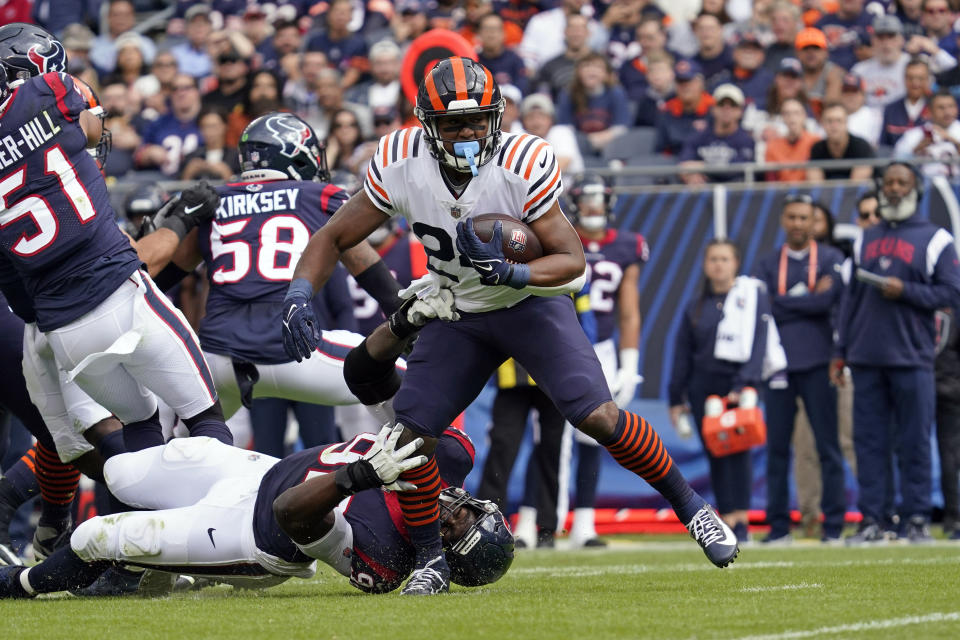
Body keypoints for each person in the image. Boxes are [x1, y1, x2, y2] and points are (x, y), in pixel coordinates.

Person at [283, 56, 739, 594]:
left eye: (477, 119)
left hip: (530, 303)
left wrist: (514, 270)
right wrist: (298, 294)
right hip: (457, 312)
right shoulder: (400, 158)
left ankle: (693, 509)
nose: (468, 131)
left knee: (597, 417)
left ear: (496, 116)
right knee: (409, 439)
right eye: (453, 122)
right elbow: (333, 235)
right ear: (427, 126)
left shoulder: (522, 159)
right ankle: (431, 559)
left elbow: (572, 260)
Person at [0, 321, 513, 597]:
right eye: (467, 511)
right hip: (257, 470)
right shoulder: (452, 459)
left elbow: (291, 513)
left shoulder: (384, 560)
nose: (453, 510)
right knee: (121, 472)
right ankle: (67, 358)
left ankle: (20, 585)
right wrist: (403, 322)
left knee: (96, 535)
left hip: (252, 535)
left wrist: (359, 476)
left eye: (456, 527)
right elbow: (370, 375)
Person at [165, 112, 412, 422]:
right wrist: (407, 321)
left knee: (186, 449)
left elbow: (165, 277)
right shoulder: (317, 196)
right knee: (416, 389)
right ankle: (422, 468)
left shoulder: (215, 201)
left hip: (220, 356)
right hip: (293, 352)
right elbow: (369, 270)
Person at [833, 161, 960, 544]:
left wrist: (904, 291)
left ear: (915, 189)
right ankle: (874, 518)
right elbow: (849, 301)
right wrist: (840, 351)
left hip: (914, 357)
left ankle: (917, 517)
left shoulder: (936, 238)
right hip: (866, 357)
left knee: (914, 442)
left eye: (902, 182)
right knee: (869, 444)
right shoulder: (863, 238)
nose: (893, 189)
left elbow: (951, 294)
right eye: (888, 182)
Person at [753, 195, 846, 544]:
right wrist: (808, 300)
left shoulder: (832, 259)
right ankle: (778, 529)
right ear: (783, 221)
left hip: (819, 363)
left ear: (814, 222)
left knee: (828, 447)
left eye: (804, 218)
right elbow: (764, 307)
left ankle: (834, 527)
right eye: (792, 217)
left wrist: (786, 302)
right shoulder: (766, 262)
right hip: (777, 367)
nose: (797, 224)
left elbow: (829, 302)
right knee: (777, 449)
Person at [669, 239, 773, 543]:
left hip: (737, 388)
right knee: (716, 453)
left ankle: (742, 518)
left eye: (725, 259)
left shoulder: (750, 299)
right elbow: (682, 354)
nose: (719, 265)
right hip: (704, 389)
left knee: (739, 453)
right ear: (705, 265)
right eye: (713, 259)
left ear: (736, 263)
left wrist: (745, 383)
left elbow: (759, 342)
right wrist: (677, 398)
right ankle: (725, 516)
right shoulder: (696, 306)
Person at [565, 173, 647, 547]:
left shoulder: (627, 245)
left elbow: (629, 310)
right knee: (547, 436)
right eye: (587, 200)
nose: (593, 208)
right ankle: (538, 522)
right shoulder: (561, 238)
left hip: (602, 349)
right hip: (560, 342)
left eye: (599, 200)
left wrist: (630, 365)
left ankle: (584, 524)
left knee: (592, 435)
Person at [555, 52, 631, 157]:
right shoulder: (568, 94)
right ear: (578, 73)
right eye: (586, 66)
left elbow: (621, 128)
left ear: (606, 74)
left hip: (610, 146)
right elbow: (565, 129)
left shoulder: (616, 93)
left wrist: (595, 140)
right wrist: (586, 142)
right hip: (578, 147)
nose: (591, 70)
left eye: (597, 67)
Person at [679, 84, 756, 184]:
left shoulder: (746, 140)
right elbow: (683, 166)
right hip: (702, 193)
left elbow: (735, 170)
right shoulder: (699, 137)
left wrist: (702, 167)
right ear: (713, 109)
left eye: (732, 105)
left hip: (734, 194)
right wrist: (692, 176)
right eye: (721, 104)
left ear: (740, 111)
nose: (726, 109)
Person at [934, 306, 960, 540]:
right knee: (950, 454)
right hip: (948, 384)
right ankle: (953, 519)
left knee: (950, 456)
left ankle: (954, 518)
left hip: (945, 385)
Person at [894, 89, 960, 177]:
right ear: (929, 111)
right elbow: (896, 164)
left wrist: (954, 142)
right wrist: (915, 151)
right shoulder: (915, 135)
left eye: (951, 106)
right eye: (941, 107)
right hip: (924, 185)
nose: (947, 112)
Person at [806, 103, 875, 181]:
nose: (834, 125)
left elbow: (857, 186)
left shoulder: (861, 146)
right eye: (829, 121)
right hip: (826, 192)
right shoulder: (817, 148)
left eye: (839, 121)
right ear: (822, 124)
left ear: (846, 123)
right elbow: (815, 184)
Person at [764, 98, 822, 182]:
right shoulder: (772, 146)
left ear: (804, 116)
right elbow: (771, 179)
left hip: (807, 190)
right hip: (782, 192)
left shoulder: (815, 142)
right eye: (787, 113)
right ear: (782, 117)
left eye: (796, 113)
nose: (792, 118)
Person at [880, 57, 932, 148]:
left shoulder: (937, 107)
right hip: (896, 161)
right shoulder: (891, 109)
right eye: (910, 78)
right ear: (904, 79)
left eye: (920, 78)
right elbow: (884, 146)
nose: (915, 83)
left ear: (928, 79)